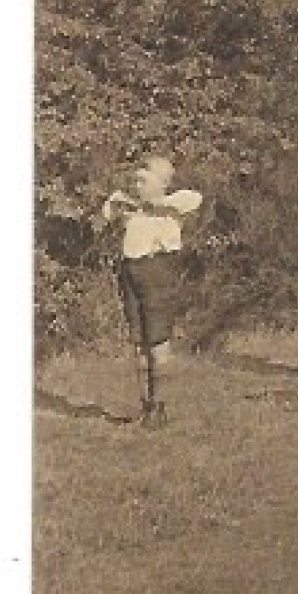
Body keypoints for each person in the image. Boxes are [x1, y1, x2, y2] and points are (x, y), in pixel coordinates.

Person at [101, 156, 203, 427]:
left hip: (157, 270)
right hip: (131, 271)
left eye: (145, 180)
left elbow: (193, 199)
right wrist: (128, 204)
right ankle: (146, 406)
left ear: (163, 183)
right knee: (139, 341)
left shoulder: (175, 203)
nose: (138, 183)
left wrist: (152, 203)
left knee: (158, 339)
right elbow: (109, 210)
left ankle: (160, 407)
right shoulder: (128, 202)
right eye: (137, 179)